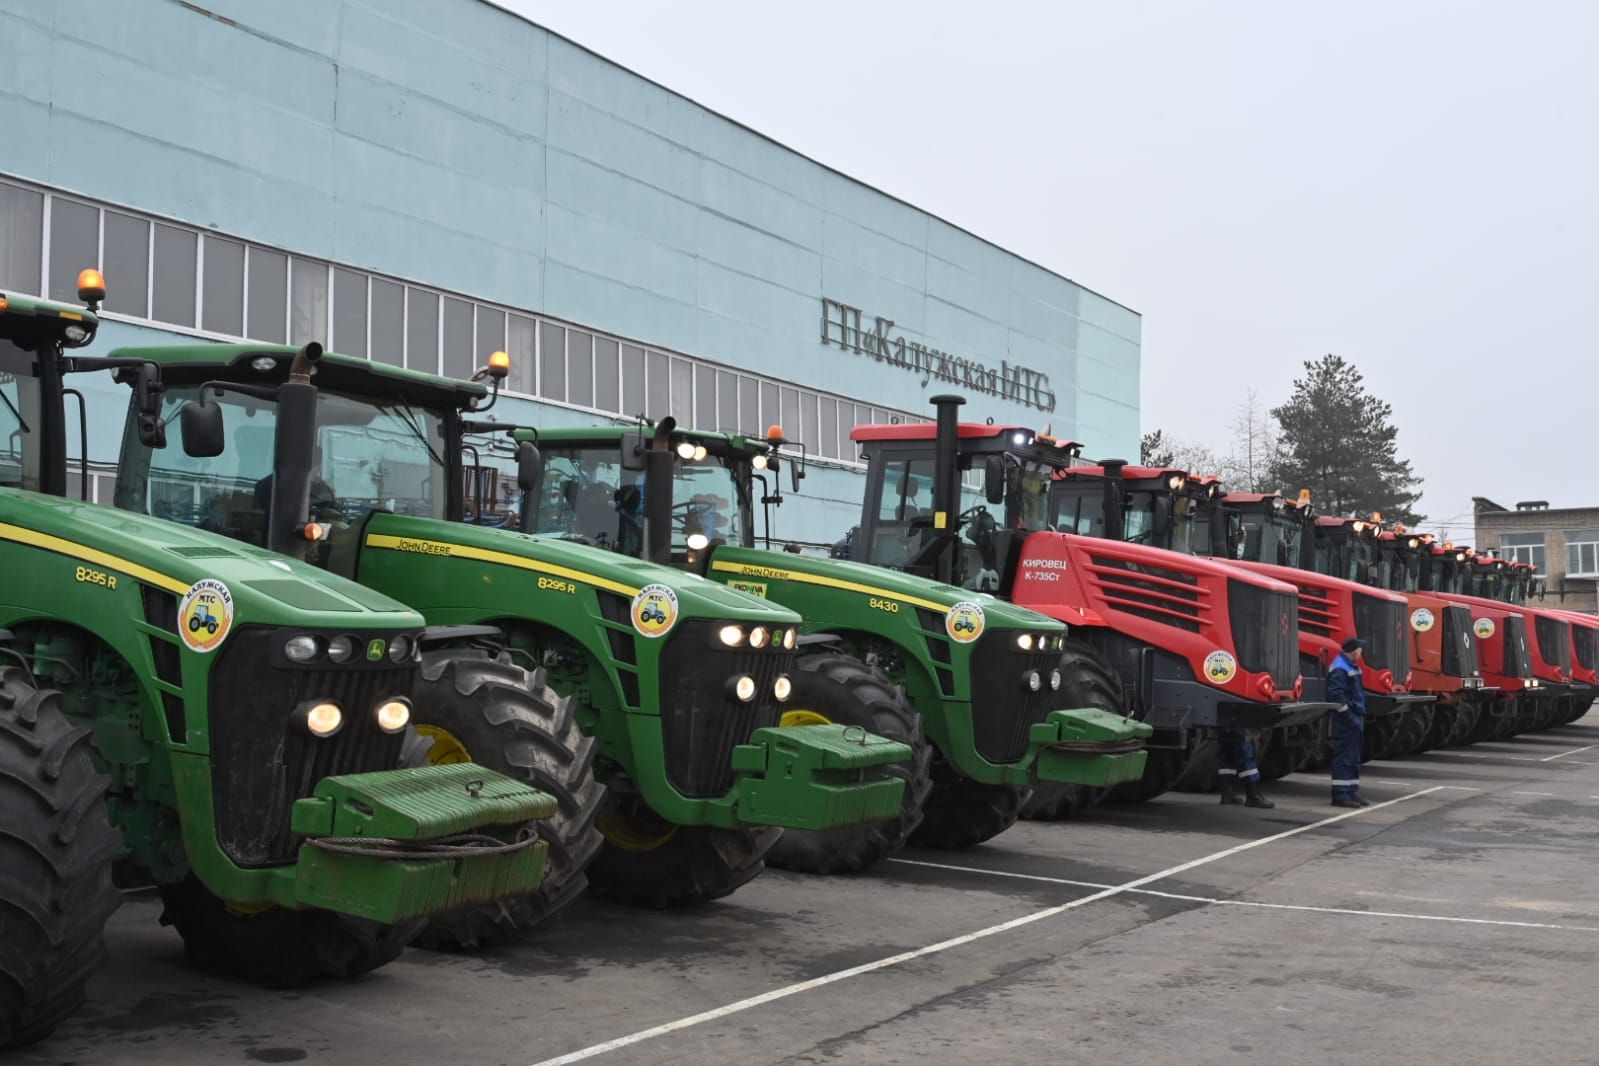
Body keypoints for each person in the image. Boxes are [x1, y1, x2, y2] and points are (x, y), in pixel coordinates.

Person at [1327, 636, 1369, 808]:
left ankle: (1351, 791)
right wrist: (1349, 718)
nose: (1361, 652)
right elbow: (1336, 696)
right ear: (1353, 651)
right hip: (1346, 720)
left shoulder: (1350, 666)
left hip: (1354, 717)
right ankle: (1340, 795)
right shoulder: (1340, 668)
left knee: (1353, 757)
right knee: (1344, 757)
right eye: (1360, 649)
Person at [1217, 728, 1273, 808]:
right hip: (1237, 721)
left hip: (1224, 722)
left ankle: (1227, 794)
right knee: (1244, 751)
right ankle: (1253, 796)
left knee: (1227, 751)